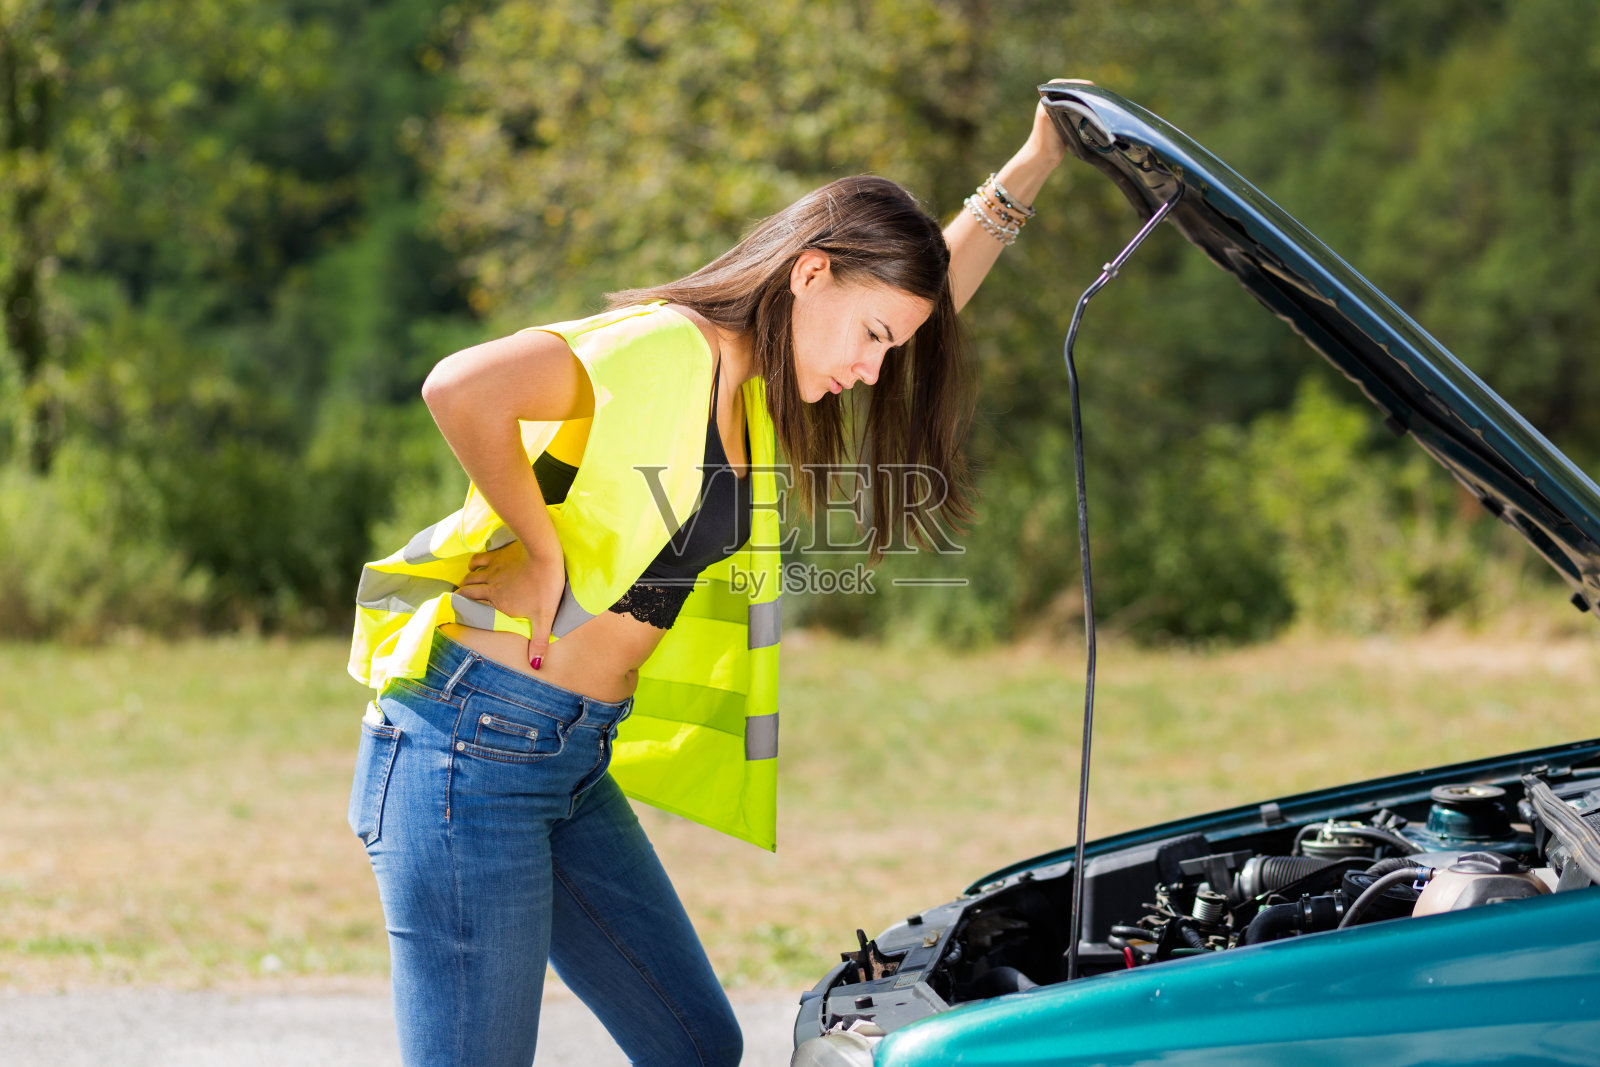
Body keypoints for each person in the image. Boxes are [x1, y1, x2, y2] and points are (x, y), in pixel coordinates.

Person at [345, 91, 1073, 1067]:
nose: (871, 367)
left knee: (692, 1040)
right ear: (809, 272)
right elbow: (461, 385)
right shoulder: (666, 346)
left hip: (563, 759)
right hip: (466, 752)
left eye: (885, 346)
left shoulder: (759, 388)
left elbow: (929, 298)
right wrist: (540, 545)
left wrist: (1029, 168)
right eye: (869, 335)